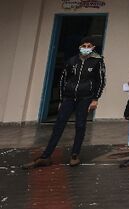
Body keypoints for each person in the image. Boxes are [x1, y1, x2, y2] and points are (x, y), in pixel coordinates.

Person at [23, 36, 106, 169]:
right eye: (83, 46)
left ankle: (75, 155)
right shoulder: (72, 61)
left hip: (85, 98)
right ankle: (46, 156)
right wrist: (62, 99)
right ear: (80, 47)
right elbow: (63, 80)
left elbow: (101, 81)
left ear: (93, 47)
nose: (86, 48)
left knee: (80, 125)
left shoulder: (97, 62)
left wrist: (95, 98)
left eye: (88, 46)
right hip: (68, 97)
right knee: (58, 126)